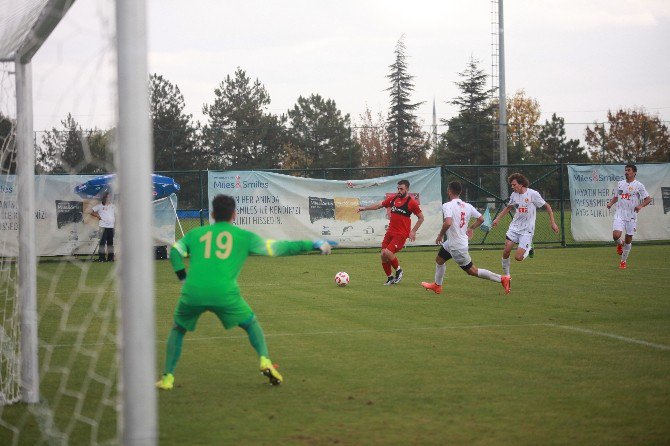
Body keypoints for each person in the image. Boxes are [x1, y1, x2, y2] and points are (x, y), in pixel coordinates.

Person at [155, 194, 336, 390]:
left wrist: (183, 279)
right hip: (225, 293)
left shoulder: (196, 234)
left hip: (193, 292)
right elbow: (278, 248)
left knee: (178, 329)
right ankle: (265, 361)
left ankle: (167, 378)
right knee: (251, 324)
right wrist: (313, 244)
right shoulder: (243, 237)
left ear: (213, 214)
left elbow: (174, 252)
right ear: (234, 214)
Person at [421, 181, 510, 295]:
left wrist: (440, 235)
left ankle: (502, 279)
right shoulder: (467, 206)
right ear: (460, 192)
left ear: (449, 191)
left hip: (457, 246)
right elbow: (481, 219)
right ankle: (437, 286)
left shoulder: (448, 205)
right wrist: (471, 228)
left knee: (472, 271)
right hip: (454, 242)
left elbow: (448, 223)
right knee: (439, 260)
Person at [492, 173, 558, 290]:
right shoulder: (514, 195)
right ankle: (507, 276)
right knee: (506, 250)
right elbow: (509, 207)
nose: (512, 187)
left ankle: (530, 248)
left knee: (518, 257)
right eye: (511, 185)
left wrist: (552, 222)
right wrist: (498, 218)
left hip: (527, 231)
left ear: (521, 184)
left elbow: (547, 206)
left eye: (514, 184)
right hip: (514, 228)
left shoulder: (533, 194)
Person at [357, 179, 424, 285]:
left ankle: (399, 270)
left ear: (407, 189)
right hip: (390, 232)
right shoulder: (393, 198)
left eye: (401, 189)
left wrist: (413, 231)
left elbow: (421, 218)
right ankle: (390, 278)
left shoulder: (411, 202)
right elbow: (379, 205)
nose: (399, 191)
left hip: (401, 234)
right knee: (383, 254)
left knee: (388, 252)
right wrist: (364, 208)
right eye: (398, 188)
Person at [605, 164, 651, 269]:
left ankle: (623, 261)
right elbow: (616, 196)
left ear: (634, 172)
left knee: (628, 239)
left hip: (631, 216)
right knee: (616, 235)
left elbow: (648, 199)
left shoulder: (639, 185)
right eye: (625, 170)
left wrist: (640, 205)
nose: (626, 172)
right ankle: (619, 243)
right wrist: (611, 203)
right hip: (620, 214)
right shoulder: (620, 184)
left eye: (629, 170)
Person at [90, 193, 115, 262]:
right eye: (106, 198)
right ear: (103, 199)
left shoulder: (112, 206)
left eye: (109, 198)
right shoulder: (99, 206)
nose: (108, 199)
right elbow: (91, 211)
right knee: (102, 243)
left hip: (111, 227)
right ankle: (102, 258)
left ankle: (110, 258)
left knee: (110, 243)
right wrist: (97, 216)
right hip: (103, 227)